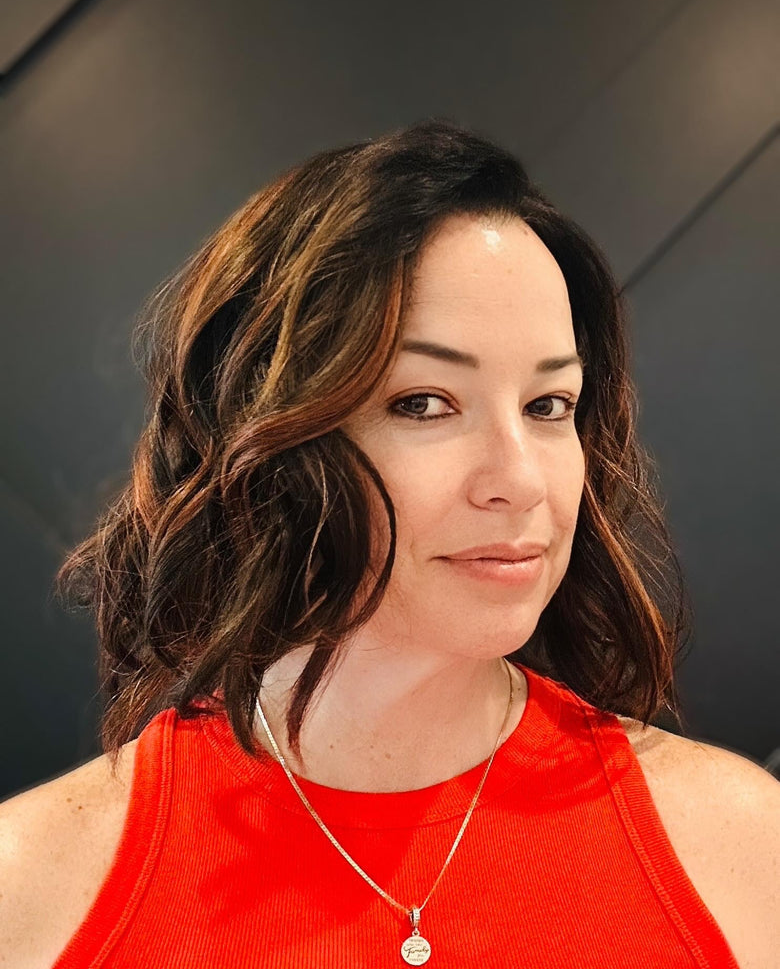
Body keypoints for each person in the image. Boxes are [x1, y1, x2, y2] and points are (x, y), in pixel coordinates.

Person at [1, 118, 777, 969]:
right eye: (424, 403)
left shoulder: (737, 846)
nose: (520, 479)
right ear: (266, 433)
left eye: (548, 405)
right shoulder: (32, 891)